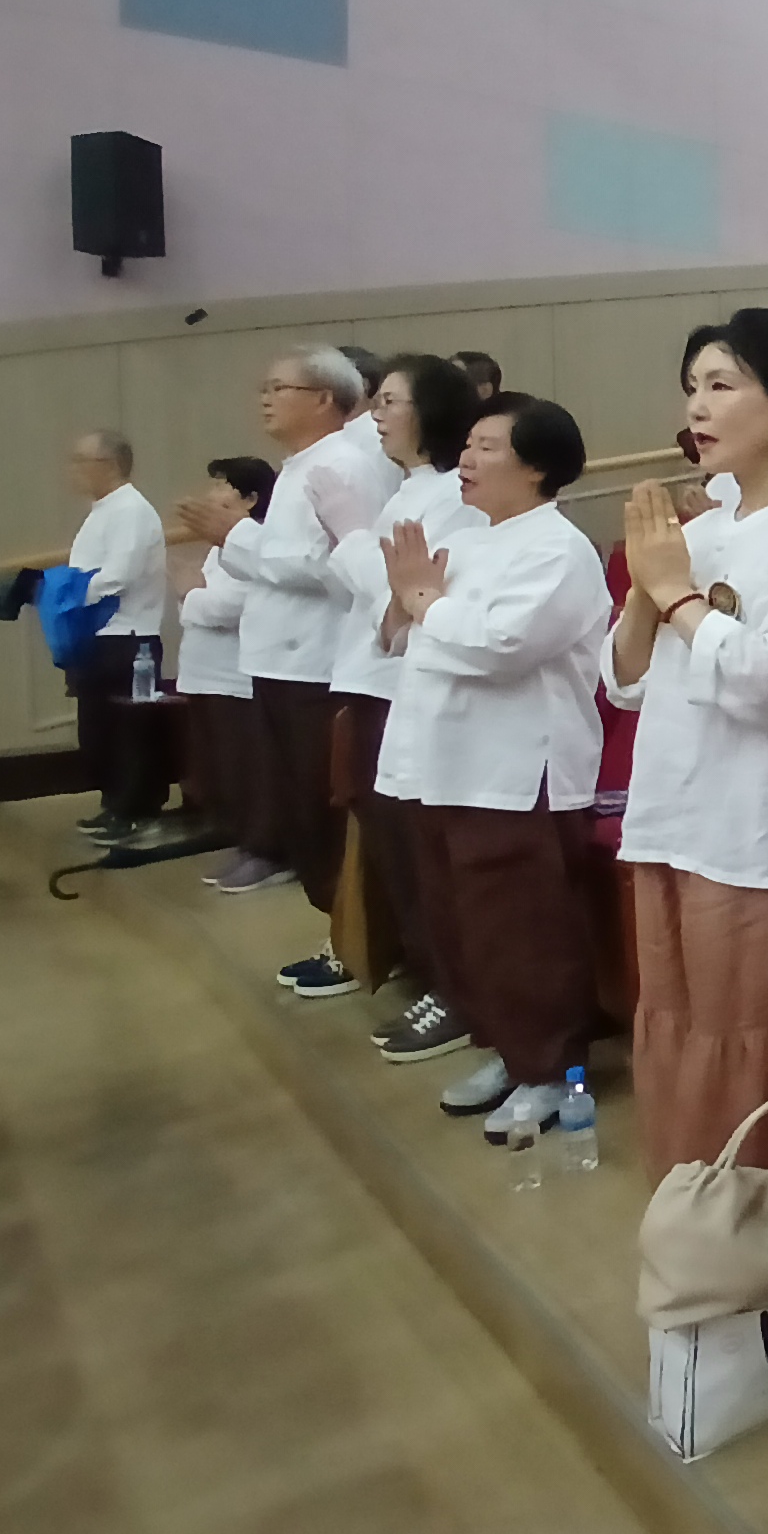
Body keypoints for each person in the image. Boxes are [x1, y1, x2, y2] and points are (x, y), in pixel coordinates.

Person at [610, 310, 768, 1181]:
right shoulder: (702, 528)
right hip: (673, 811)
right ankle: (694, 1209)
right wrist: (648, 589)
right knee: (679, 1022)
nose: (698, 406)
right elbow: (624, 677)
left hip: (759, 825)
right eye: (692, 387)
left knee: (755, 1036)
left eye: (722, 385)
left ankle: (767, 1223)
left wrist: (678, 597)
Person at [376, 394, 612, 1135]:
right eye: (468, 445)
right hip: (443, 764)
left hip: (515, 774)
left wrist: (423, 601)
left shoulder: (558, 549)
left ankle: (554, 1072)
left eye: (487, 447)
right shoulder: (468, 538)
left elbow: (502, 646)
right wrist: (406, 602)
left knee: (523, 935)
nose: (467, 460)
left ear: (537, 467)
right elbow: (401, 638)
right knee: (463, 929)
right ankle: (510, 1053)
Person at [174, 347, 401, 900]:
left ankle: (349, 925)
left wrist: (236, 536)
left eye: (279, 388)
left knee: (320, 806)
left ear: (323, 398)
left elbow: (333, 567)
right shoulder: (300, 465)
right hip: (277, 658)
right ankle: (331, 914)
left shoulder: (341, 465)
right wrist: (239, 541)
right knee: (294, 802)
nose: (265, 400)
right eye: (264, 389)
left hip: (315, 661)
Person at [301, 356, 486, 1031]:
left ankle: (454, 988)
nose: (374, 416)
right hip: (369, 680)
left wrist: (351, 534)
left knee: (420, 852)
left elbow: (407, 602)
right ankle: (425, 967)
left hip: (403, 686)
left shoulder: (451, 497)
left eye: (389, 402)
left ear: (429, 411)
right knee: (391, 848)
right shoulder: (408, 490)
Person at [63, 429, 171, 841]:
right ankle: (114, 805)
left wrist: (66, 593)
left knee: (129, 732)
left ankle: (135, 812)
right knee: (100, 729)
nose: (73, 470)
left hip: (128, 637)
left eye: (80, 461)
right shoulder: (103, 510)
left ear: (107, 465)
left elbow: (118, 575)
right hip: (99, 635)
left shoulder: (130, 510)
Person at [179, 457, 274, 878]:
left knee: (242, 770)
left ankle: (261, 848)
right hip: (203, 671)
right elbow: (202, 602)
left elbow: (227, 606)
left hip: (232, 677)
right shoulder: (219, 546)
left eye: (222, 486)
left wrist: (189, 595)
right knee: (213, 769)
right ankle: (235, 839)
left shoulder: (255, 540)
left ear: (250, 498)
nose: (211, 494)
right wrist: (194, 597)